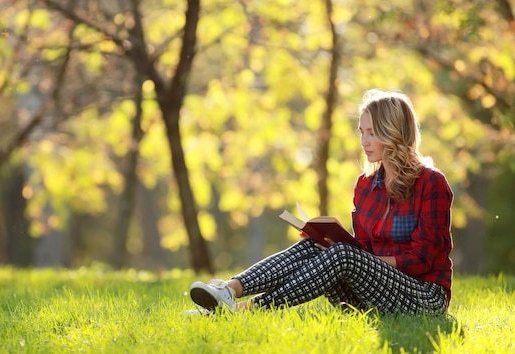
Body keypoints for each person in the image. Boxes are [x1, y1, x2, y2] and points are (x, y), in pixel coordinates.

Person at [188, 89, 453, 315]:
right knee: (315, 247)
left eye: (372, 133)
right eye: (361, 132)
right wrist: (335, 244)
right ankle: (229, 290)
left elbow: (422, 259)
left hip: (423, 296)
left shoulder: (431, 183)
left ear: (394, 132)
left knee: (343, 255)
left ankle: (246, 310)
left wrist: (358, 257)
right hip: (369, 293)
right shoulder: (365, 185)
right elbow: (363, 247)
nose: (364, 142)